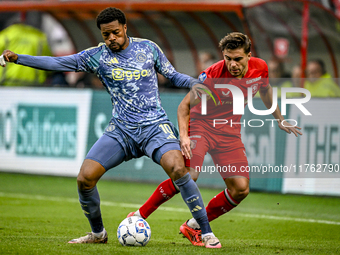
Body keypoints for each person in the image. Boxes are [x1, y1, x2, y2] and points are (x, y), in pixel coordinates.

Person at [0, 7, 221, 248]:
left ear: (125, 28)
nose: (111, 38)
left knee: (179, 169)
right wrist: (19, 58)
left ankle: (206, 233)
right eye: (106, 35)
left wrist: (195, 84)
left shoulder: (148, 48)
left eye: (115, 32)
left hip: (155, 127)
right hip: (121, 131)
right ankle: (97, 234)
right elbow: (57, 62)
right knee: (85, 179)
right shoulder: (96, 56)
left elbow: (174, 76)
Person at [127, 32, 302, 246]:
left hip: (229, 131)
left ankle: (193, 226)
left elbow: (265, 91)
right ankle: (138, 215)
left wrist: (280, 119)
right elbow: (184, 107)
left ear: (249, 55)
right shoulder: (213, 75)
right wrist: (183, 136)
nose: (232, 64)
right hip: (201, 126)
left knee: (240, 189)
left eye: (237, 59)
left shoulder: (261, 67)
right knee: (189, 175)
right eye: (228, 58)